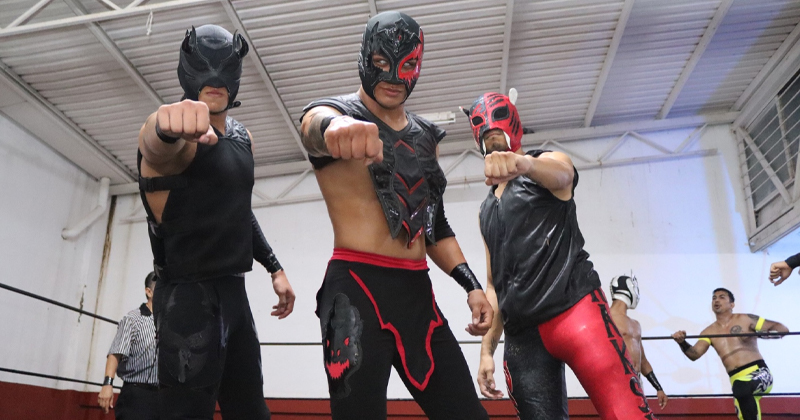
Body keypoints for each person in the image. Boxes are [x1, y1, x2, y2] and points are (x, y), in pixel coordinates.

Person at [299, 11, 492, 420]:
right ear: (366, 57)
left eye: (405, 66)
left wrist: (472, 285)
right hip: (355, 290)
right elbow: (314, 127)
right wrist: (336, 128)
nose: (392, 77)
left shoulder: (425, 135)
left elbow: (433, 223)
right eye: (382, 63)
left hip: (417, 293)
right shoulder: (335, 111)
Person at [136, 24, 295, 419]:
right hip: (187, 297)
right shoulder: (177, 137)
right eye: (205, 70)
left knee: (251, 412)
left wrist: (274, 267)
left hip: (234, 295)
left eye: (225, 70)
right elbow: (154, 145)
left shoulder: (242, 137)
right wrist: (164, 125)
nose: (216, 80)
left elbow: (239, 211)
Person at [468, 91, 658, 419]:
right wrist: (487, 351)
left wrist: (525, 164)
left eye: (497, 131)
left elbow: (564, 174)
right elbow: (494, 286)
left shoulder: (546, 164)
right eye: (487, 136)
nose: (492, 140)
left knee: (627, 414)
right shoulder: (486, 210)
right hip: (523, 337)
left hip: (574, 311)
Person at [672, 288, 788, 420]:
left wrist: (761, 334)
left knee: (742, 387)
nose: (716, 300)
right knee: (744, 406)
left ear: (732, 304)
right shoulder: (708, 332)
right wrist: (682, 342)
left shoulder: (746, 319)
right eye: (714, 298)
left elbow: (782, 329)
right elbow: (694, 354)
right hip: (736, 382)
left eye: (722, 297)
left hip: (759, 372)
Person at [97, 272, 159, 419]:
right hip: (136, 395)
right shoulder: (132, 319)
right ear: (148, 292)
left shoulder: (169, 322)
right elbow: (116, 352)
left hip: (163, 397)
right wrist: (107, 384)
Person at [608, 275, 668, 409]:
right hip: (617, 381)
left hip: (636, 382)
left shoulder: (635, 324)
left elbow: (643, 361)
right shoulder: (607, 319)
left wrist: (658, 388)